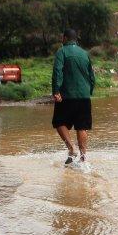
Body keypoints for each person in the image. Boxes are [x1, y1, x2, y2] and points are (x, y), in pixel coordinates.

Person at [51, 29, 95, 165]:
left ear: (64, 38)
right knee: (82, 126)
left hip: (67, 96)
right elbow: (92, 76)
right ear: (76, 39)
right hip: (84, 96)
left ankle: (71, 149)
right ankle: (83, 157)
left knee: (59, 122)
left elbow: (57, 72)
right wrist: (89, 91)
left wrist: (56, 91)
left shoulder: (62, 51)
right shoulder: (84, 54)